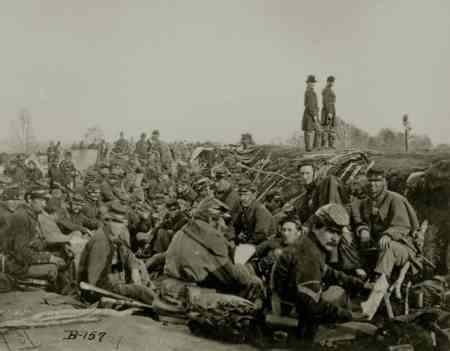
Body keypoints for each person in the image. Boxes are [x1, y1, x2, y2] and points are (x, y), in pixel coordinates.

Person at [271, 204, 370, 339]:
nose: (335, 238)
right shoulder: (308, 253)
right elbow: (311, 305)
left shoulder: (311, 245)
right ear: (316, 227)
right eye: (330, 231)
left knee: (337, 293)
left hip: (292, 302)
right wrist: (349, 316)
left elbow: (326, 271)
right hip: (290, 310)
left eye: (338, 233)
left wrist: (358, 284)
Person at [164, 197, 264, 302]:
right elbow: (230, 278)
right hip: (199, 294)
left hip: (172, 285)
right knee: (253, 283)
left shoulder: (183, 231)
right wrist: (245, 270)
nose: (224, 226)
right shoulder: (211, 236)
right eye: (222, 220)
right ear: (212, 219)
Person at [350, 166, 420, 279]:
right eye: (370, 181)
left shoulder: (395, 199)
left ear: (384, 182)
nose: (373, 185)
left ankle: (380, 280)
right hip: (375, 246)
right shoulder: (366, 202)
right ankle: (357, 273)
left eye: (377, 181)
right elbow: (359, 220)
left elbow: (403, 226)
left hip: (401, 247)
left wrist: (388, 234)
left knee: (388, 246)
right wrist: (363, 229)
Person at [78, 206, 155, 304]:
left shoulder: (114, 237)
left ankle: (153, 295)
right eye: (115, 222)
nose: (119, 226)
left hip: (113, 282)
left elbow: (128, 254)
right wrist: (125, 288)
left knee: (139, 266)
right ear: (106, 222)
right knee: (141, 291)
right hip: (98, 289)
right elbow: (94, 279)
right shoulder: (100, 242)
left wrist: (134, 269)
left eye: (122, 222)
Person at [2, 188, 68, 288]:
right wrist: (49, 258)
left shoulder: (31, 215)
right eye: (41, 200)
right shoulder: (21, 217)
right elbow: (21, 253)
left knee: (62, 255)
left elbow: (34, 243)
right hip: (14, 265)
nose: (44, 205)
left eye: (46, 201)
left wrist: (60, 244)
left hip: (20, 260)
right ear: (29, 199)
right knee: (53, 267)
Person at [234, 178, 274, 245]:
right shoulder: (245, 209)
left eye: (246, 195)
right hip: (252, 242)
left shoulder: (260, 211)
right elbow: (236, 225)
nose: (242, 198)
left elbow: (260, 235)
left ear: (254, 195)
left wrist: (244, 246)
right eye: (240, 195)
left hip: (264, 245)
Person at [302, 75, 319, 152]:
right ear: (308, 83)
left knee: (314, 130)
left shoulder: (310, 91)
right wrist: (314, 115)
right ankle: (309, 148)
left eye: (313, 82)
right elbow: (310, 105)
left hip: (311, 113)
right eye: (311, 82)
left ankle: (312, 148)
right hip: (310, 114)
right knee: (309, 131)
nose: (313, 84)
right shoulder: (309, 92)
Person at [321, 76, 337, 149]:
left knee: (331, 128)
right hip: (328, 111)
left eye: (333, 81)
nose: (332, 83)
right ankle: (325, 145)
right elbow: (326, 102)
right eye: (331, 81)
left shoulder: (329, 90)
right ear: (328, 82)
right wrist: (330, 112)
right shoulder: (327, 90)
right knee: (326, 128)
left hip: (331, 110)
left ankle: (331, 145)